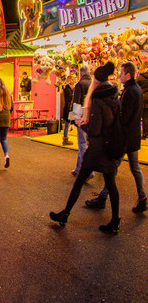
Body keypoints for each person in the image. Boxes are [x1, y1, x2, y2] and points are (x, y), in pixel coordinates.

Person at [50, 61, 121, 233]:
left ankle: (65, 214)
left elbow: (95, 129)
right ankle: (115, 220)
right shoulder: (114, 97)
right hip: (110, 146)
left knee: (79, 181)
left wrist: (82, 124)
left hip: (97, 149)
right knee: (111, 184)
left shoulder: (97, 99)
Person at [85, 61, 147, 213]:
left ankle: (103, 199)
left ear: (128, 74)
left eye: (121, 73)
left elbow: (124, 116)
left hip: (125, 137)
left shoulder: (130, 91)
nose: (119, 76)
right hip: (133, 136)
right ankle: (142, 197)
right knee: (134, 168)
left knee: (112, 168)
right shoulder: (136, 89)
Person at [70, 65, 92, 176]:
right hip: (91, 117)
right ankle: (78, 168)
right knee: (86, 144)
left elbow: (76, 103)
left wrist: (75, 119)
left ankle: (88, 170)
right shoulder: (93, 84)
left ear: (81, 73)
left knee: (82, 144)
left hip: (82, 117)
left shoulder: (79, 85)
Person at [62, 74, 75, 145]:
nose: (74, 81)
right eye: (72, 79)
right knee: (67, 124)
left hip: (69, 107)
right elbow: (68, 100)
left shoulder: (70, 88)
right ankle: (65, 138)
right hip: (68, 108)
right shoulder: (68, 88)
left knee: (67, 124)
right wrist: (69, 109)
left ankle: (65, 137)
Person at [137, 65, 148, 139]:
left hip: (144, 97)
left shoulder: (140, 77)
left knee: (145, 116)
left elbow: (136, 86)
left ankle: (145, 133)